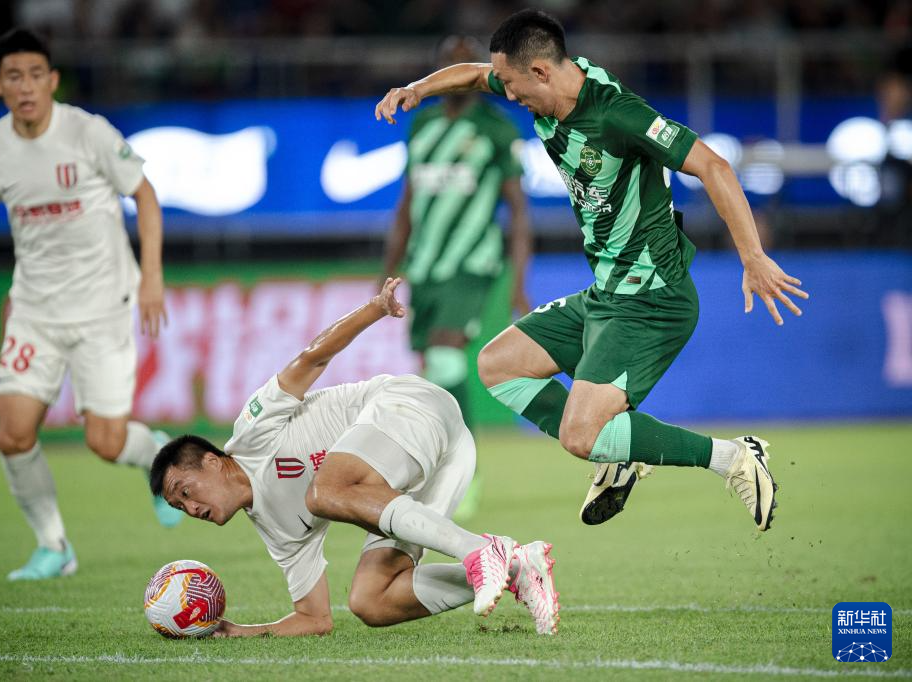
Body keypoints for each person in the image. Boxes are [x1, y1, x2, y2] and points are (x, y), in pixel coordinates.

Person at [375, 9, 809, 531]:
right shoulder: (541, 81)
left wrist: (753, 256)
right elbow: (471, 75)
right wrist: (417, 89)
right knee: (498, 364)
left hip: (652, 299)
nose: (507, 95)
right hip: (607, 293)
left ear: (540, 71)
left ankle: (733, 457)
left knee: (581, 436)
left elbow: (713, 165)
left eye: (511, 85)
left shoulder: (618, 114)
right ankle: (618, 453)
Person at [0, 28, 182, 581]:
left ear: (52, 81)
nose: (25, 86)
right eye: (14, 76)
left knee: (105, 442)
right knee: (12, 433)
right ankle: (54, 546)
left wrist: (152, 277)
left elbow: (144, 195)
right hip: (34, 311)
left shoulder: (87, 132)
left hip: (103, 305)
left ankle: (155, 452)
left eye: (35, 75)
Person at [150, 278, 559, 637]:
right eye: (179, 506)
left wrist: (376, 308)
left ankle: (480, 550)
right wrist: (235, 632)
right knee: (371, 600)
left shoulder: (252, 432)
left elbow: (312, 358)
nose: (191, 508)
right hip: (446, 461)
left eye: (184, 491)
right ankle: (516, 567)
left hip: (412, 407)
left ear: (211, 461)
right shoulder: (277, 530)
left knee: (323, 492)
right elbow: (314, 619)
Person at [382, 35, 532, 520]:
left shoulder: (496, 127)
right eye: (449, 62)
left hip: (472, 262)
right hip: (425, 265)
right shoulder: (422, 124)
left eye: (465, 64)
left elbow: (518, 210)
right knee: (433, 372)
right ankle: (435, 465)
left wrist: (519, 282)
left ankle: (462, 475)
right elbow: (407, 202)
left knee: (446, 358)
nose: (457, 72)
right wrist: (389, 270)